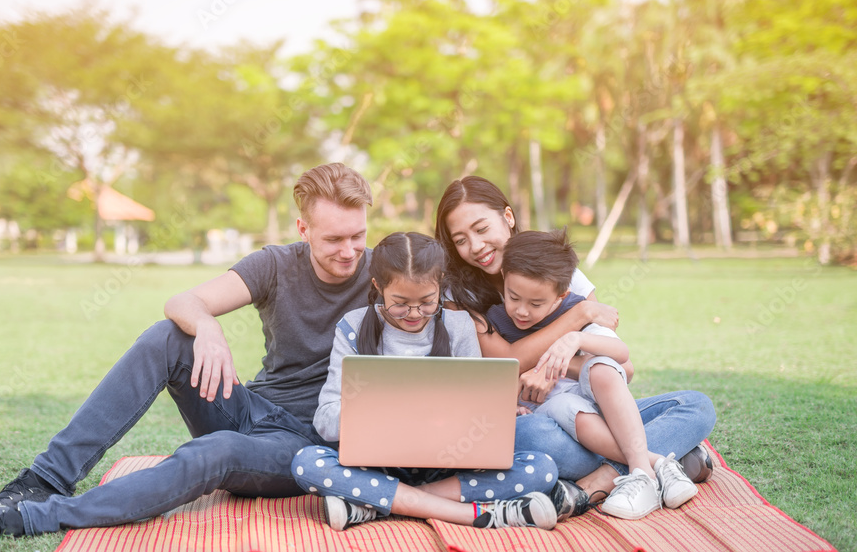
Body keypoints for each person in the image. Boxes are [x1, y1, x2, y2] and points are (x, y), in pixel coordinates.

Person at [0, 163, 378, 546]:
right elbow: (182, 301)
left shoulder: (385, 273)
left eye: (358, 236)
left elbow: (440, 297)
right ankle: (42, 481)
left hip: (304, 445)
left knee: (217, 450)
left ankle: (22, 519)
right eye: (334, 238)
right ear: (303, 230)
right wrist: (206, 326)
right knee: (168, 336)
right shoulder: (276, 264)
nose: (349, 251)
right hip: (250, 407)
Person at [434, 176, 716, 520]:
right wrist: (578, 317)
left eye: (481, 228)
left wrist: (559, 357)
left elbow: (622, 370)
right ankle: (663, 462)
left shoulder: (559, 269)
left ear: (507, 216)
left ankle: (602, 479)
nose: (475, 246)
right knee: (531, 436)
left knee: (695, 406)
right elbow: (507, 362)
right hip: (540, 421)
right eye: (460, 240)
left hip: (592, 414)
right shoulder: (457, 296)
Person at [292, 232, 559, 531]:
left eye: (427, 302)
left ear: (441, 283)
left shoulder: (458, 326)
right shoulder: (352, 328)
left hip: (447, 469)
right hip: (375, 465)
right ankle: (475, 515)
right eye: (401, 303)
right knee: (306, 462)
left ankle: (379, 505)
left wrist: (496, 414)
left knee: (542, 468)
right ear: (378, 286)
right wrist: (382, 412)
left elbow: (475, 406)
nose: (415, 314)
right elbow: (325, 420)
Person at [491, 230, 698, 520]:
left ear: (560, 295)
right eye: (514, 297)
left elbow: (621, 356)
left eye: (536, 304)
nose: (522, 311)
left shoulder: (574, 309)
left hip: (603, 406)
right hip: (553, 421)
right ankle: (660, 463)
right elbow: (495, 376)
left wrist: (575, 340)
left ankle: (635, 472)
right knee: (540, 426)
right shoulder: (495, 321)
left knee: (694, 404)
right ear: (503, 277)